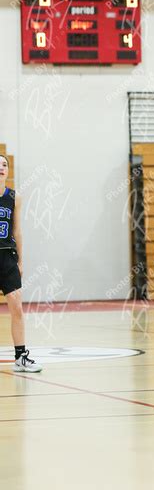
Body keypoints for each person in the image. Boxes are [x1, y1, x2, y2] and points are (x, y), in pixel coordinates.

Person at [0, 154, 42, 372]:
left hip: (7, 257)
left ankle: (20, 357)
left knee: (17, 308)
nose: (1, 168)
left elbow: (17, 230)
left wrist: (21, 260)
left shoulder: (14, 197)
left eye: (4, 165)